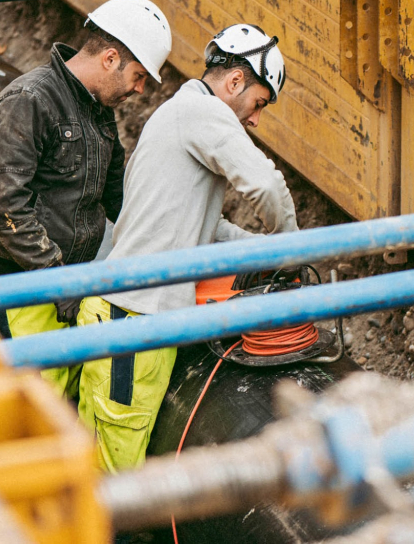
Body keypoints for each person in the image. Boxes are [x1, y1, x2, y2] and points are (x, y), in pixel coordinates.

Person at [76, 23, 299, 472]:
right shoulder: (205, 114)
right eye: (258, 103)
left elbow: (205, 228)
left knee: (106, 462)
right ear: (235, 81)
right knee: (112, 477)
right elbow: (265, 186)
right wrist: (294, 251)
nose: (255, 119)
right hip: (133, 323)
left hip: (125, 315)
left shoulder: (175, 116)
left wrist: (260, 252)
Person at [0, 0, 172, 397]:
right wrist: (58, 282)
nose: (139, 89)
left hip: (74, 280)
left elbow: (117, 195)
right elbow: (6, 208)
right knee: (34, 403)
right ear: (110, 58)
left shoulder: (97, 109)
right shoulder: (29, 101)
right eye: (138, 76)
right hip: (25, 286)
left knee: (63, 395)